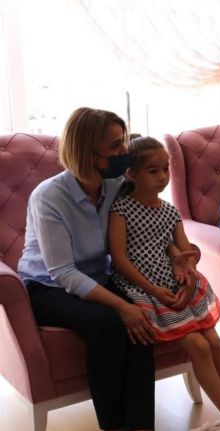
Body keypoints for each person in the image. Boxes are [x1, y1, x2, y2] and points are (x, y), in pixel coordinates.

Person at [18, 108, 169, 430]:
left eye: (123, 141)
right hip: (47, 286)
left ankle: (141, 425)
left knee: (142, 318)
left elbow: (152, 218)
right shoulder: (49, 197)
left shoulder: (116, 184)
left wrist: (178, 256)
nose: (124, 151)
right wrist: (122, 307)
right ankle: (112, 425)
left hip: (98, 275)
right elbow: (63, 272)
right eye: (115, 145)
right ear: (87, 153)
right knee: (108, 323)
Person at [108, 137, 220, 431]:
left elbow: (186, 253)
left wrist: (188, 275)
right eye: (153, 171)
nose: (162, 177)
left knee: (215, 342)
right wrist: (154, 290)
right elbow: (119, 260)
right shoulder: (121, 210)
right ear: (131, 174)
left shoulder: (169, 211)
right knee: (197, 345)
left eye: (165, 168)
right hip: (143, 290)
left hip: (174, 285)